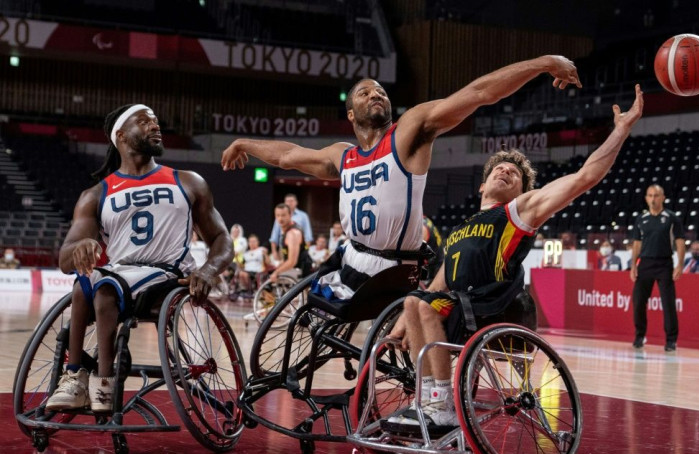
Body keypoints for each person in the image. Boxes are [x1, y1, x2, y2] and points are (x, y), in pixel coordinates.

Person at [386, 85, 644, 430]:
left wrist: (621, 130)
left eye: (515, 173)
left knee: (424, 304)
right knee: (416, 300)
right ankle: (429, 401)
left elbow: (586, 177)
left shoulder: (518, 212)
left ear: (523, 191)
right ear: (481, 186)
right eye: (499, 168)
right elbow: (440, 282)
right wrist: (407, 317)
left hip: (488, 305)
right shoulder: (462, 228)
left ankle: (440, 405)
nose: (505, 171)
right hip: (457, 306)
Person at [222, 55, 583, 299]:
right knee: (305, 307)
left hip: (394, 267)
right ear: (350, 114)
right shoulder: (343, 155)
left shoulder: (407, 132)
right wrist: (243, 143)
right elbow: (287, 155)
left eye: (380, 90)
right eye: (365, 92)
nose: (376, 93)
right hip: (352, 260)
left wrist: (544, 63)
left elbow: (478, 93)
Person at [45, 104, 233, 412]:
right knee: (83, 284)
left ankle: (103, 384)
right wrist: (80, 247)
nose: (155, 126)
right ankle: (75, 377)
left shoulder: (188, 181)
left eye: (156, 121)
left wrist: (210, 270)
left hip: (168, 275)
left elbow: (222, 239)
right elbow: (66, 260)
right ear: (120, 136)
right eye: (144, 121)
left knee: (104, 289)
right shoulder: (96, 194)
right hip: (121, 274)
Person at [630, 184, 685, 352]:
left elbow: (680, 242)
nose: (653, 199)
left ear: (663, 198)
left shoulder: (671, 218)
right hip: (645, 263)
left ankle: (671, 340)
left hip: (664, 264)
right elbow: (637, 244)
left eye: (656, 195)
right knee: (638, 300)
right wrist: (633, 265)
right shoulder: (641, 219)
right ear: (646, 198)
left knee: (668, 303)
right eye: (650, 195)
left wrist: (680, 264)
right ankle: (640, 336)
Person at [271, 203, 312, 283]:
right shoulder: (285, 231)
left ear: (290, 215)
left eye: (283, 215)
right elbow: (286, 258)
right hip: (295, 270)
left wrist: (276, 272)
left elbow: (292, 262)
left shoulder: (293, 234)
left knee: (272, 279)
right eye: (278, 215)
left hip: (301, 271)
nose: (280, 218)